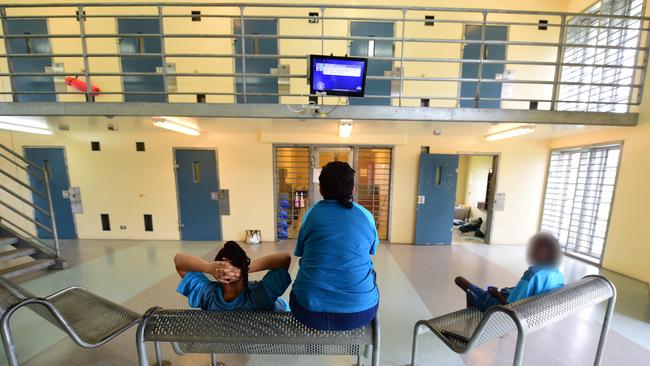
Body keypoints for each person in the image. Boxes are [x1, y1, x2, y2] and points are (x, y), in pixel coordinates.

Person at [291, 161, 380, 331]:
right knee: (371, 272)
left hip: (307, 311)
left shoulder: (311, 214)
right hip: (360, 313)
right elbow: (371, 250)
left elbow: (301, 251)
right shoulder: (365, 216)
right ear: (352, 190)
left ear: (321, 189)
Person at [455, 232, 564, 311]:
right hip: (530, 309)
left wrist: (496, 294)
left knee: (460, 280)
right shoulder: (557, 273)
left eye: (534, 249)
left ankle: (472, 322)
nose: (530, 251)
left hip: (502, 308)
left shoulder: (532, 274)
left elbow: (511, 306)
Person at [174, 241, 292, 311]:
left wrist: (209, 268)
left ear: (218, 272)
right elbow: (284, 259)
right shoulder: (262, 294)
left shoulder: (208, 295)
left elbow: (179, 261)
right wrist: (244, 268)